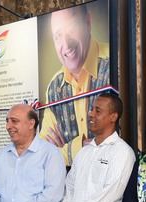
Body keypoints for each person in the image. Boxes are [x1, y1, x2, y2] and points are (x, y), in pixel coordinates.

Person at [40, 4, 110, 165]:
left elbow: (119, 143)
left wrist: (66, 149)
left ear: (88, 22)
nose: (66, 43)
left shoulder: (115, 64)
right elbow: (44, 156)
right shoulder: (54, 88)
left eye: (71, 29)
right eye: (58, 36)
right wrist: (83, 147)